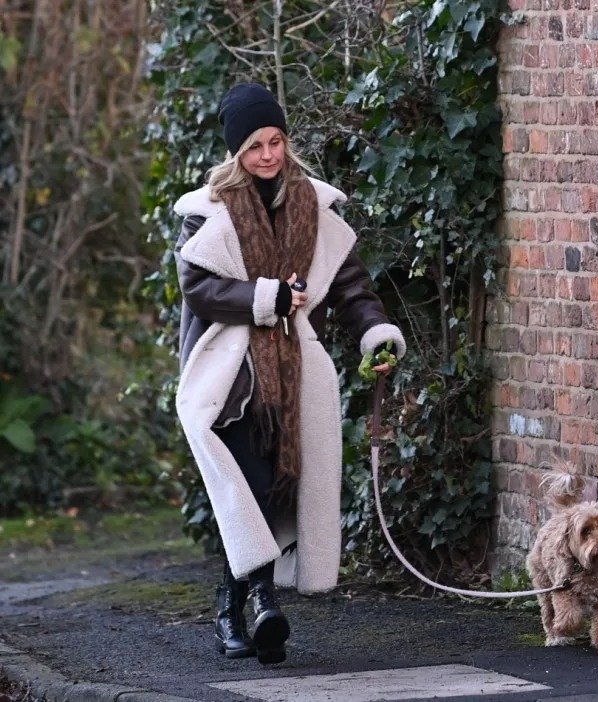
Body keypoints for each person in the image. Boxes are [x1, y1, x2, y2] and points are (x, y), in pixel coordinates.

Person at [172, 83, 406, 664]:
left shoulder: (313, 207)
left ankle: (239, 605)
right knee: (249, 483)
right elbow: (198, 288)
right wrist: (267, 297)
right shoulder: (207, 212)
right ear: (237, 152)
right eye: (254, 146)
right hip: (229, 376)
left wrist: (376, 331)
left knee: (273, 486)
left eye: (275, 141)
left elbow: (350, 286)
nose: (268, 155)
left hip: (295, 374)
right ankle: (257, 602)